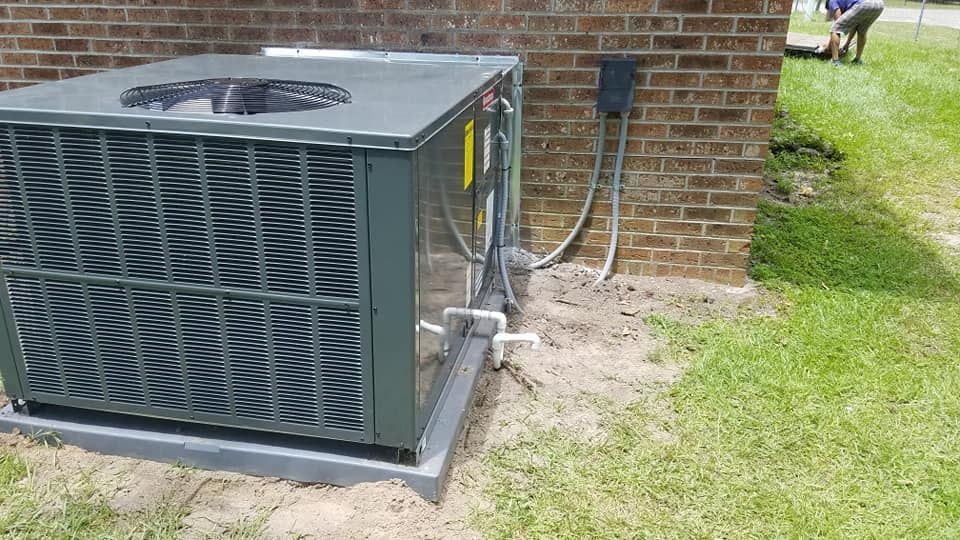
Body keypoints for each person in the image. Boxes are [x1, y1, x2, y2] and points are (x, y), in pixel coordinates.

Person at [825, 0, 885, 66]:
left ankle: (835, 61)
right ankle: (857, 60)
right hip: (879, 4)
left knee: (835, 29)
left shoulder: (831, 1)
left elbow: (838, 23)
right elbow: (854, 27)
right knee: (862, 31)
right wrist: (847, 44)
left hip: (864, 3)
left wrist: (829, 47)